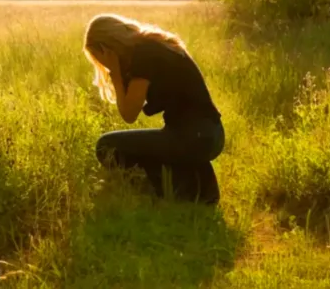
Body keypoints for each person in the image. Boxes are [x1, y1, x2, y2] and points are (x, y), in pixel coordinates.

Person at [83, 13, 225, 205]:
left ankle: (172, 190)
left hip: (195, 137)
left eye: (100, 58)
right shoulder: (151, 45)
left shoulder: (144, 54)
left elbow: (129, 114)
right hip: (209, 135)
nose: (102, 65)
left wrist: (115, 73)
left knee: (106, 146)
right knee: (151, 143)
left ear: (106, 48)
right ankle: (198, 187)